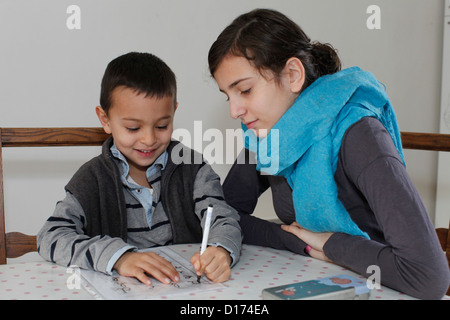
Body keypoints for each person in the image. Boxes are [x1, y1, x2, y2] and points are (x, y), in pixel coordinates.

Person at [208, 8, 450, 299]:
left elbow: (428, 276)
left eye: (244, 90)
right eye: (228, 96)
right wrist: (302, 242)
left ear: (293, 75)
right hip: (317, 279)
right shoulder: (264, 136)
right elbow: (222, 216)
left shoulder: (360, 135)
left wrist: (332, 244)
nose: (234, 111)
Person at [37, 52, 242, 285]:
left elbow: (224, 218)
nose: (149, 139)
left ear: (174, 112)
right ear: (105, 120)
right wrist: (119, 257)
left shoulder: (192, 167)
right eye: (133, 128)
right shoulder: (92, 179)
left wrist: (221, 250)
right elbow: (50, 237)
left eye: (162, 125)